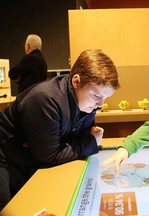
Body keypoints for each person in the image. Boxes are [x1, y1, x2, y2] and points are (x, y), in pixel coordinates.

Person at [0, 49, 120, 210]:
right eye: (96, 96)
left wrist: (58, 145)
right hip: (6, 157)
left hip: (29, 159)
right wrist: (91, 141)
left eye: (105, 98)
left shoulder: (87, 104)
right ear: (76, 81)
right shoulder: (45, 99)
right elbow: (49, 156)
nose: (100, 104)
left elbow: (69, 142)